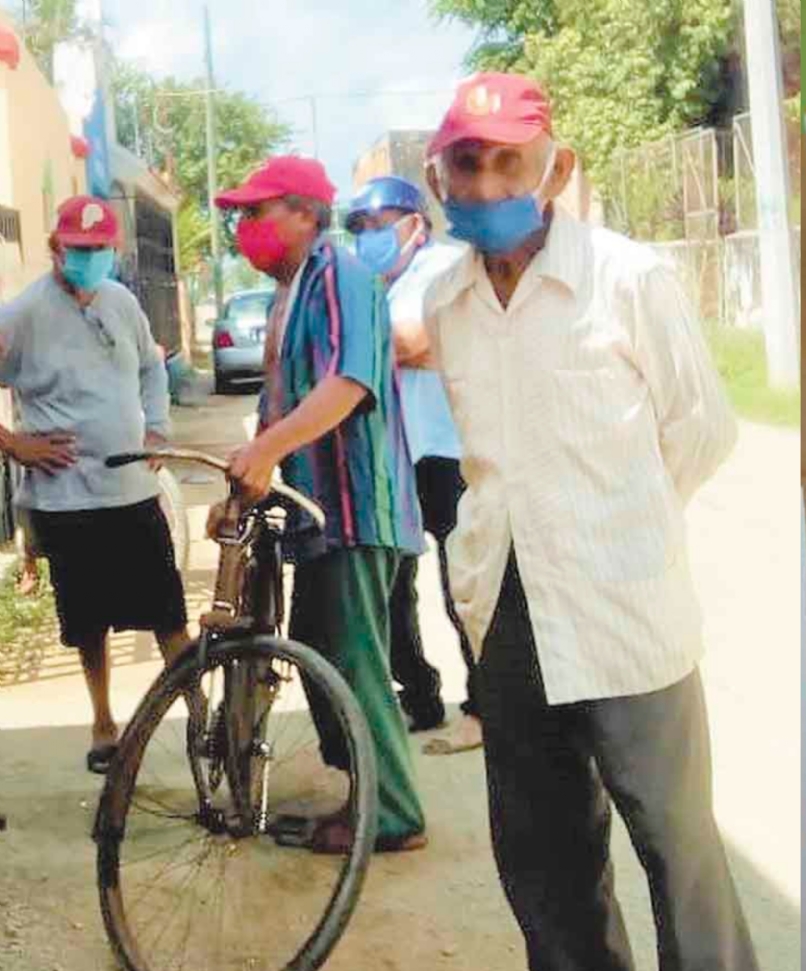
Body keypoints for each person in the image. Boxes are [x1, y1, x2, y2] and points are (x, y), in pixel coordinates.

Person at [422, 74, 769, 971]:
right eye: (465, 163)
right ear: (439, 173)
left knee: (677, 842)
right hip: (507, 601)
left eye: (506, 161)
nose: (484, 182)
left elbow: (700, 429)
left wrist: (619, 530)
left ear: (555, 168)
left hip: (625, 608)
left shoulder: (628, 280)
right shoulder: (446, 302)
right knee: (539, 839)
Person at [210, 155, 428, 853]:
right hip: (316, 511)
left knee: (354, 662)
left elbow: (349, 381)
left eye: (257, 211)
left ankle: (392, 812)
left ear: (305, 212)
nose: (245, 228)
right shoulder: (289, 294)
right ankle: (364, 785)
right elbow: (282, 408)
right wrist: (244, 483)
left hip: (358, 506)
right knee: (318, 652)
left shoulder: (342, 276)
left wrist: (270, 448)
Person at [0, 197, 191, 773]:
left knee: (169, 615)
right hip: (66, 501)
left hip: (132, 489)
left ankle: (201, 713)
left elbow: (150, 368)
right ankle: (104, 722)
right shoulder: (23, 314)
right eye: (78, 250)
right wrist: (13, 444)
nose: (88, 259)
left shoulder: (122, 301)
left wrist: (157, 427)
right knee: (88, 622)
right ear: (56, 249)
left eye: (99, 249)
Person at [343, 176, 483, 754]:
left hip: (450, 451)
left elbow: (419, 342)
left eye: (379, 227)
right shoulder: (368, 282)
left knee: (464, 584)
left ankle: (485, 707)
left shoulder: (448, 268)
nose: (369, 239)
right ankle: (419, 697)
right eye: (361, 231)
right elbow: (401, 346)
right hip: (392, 451)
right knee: (394, 586)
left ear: (415, 225)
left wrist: (373, 341)